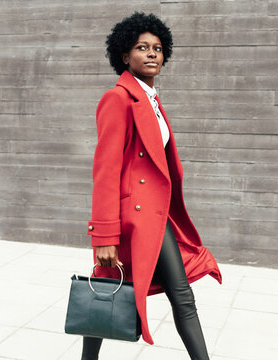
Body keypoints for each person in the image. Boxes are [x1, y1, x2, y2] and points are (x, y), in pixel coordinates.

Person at [82, 12, 222, 360]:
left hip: (154, 214)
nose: (151, 54)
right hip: (135, 217)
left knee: (123, 290)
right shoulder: (118, 99)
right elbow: (105, 171)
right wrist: (104, 236)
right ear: (124, 56)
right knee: (166, 293)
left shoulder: (150, 100)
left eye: (158, 48)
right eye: (141, 47)